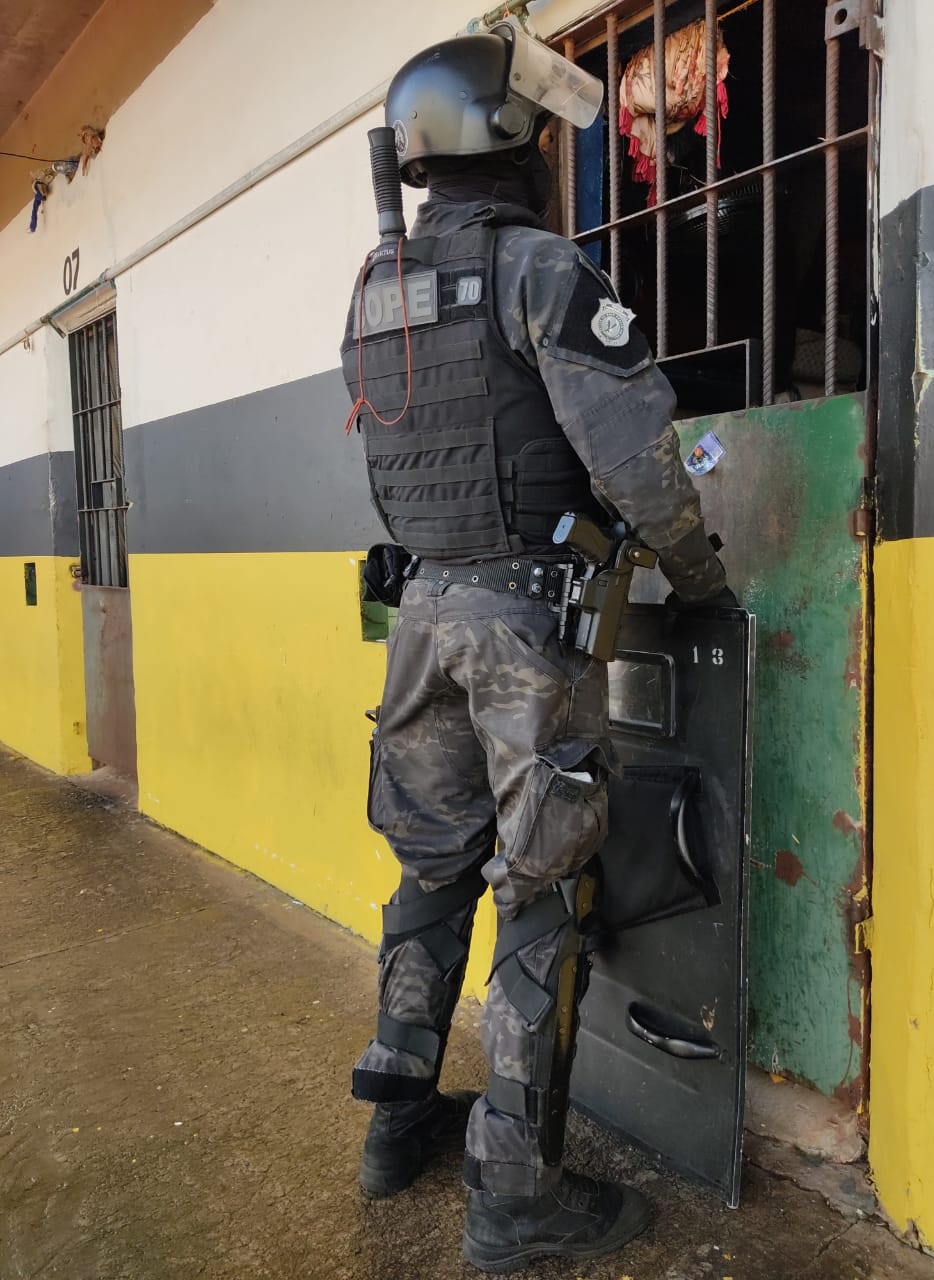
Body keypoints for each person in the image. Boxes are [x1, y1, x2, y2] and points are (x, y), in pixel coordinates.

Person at [340, 24, 735, 1274]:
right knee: (541, 890)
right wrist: (701, 578)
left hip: (421, 621)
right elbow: (638, 462)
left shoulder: (376, 286)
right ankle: (516, 1196)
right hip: (522, 627)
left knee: (430, 868)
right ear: (509, 136)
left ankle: (398, 1121)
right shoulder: (542, 269)